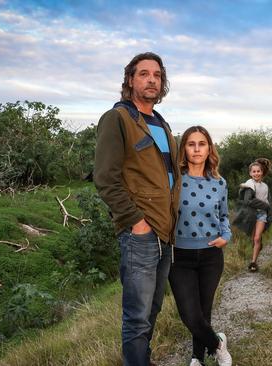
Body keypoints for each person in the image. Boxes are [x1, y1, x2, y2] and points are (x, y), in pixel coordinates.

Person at [93, 52, 180, 366]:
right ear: (130, 80)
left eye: (157, 75)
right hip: (141, 234)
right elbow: (105, 178)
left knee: (153, 309)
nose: (152, 80)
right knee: (137, 316)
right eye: (143, 74)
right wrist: (135, 221)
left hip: (166, 231)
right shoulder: (117, 119)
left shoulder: (161, 123)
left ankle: (144, 360)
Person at [169, 126, 233, 366]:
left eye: (202, 144)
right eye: (191, 144)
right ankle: (218, 344)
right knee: (190, 314)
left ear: (209, 148)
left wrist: (226, 235)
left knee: (204, 311)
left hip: (211, 254)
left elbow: (224, 215)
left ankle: (197, 357)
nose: (196, 149)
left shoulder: (219, 182)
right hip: (179, 255)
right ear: (183, 148)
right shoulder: (173, 179)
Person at [232, 158, 272, 272]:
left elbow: (268, 201)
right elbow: (248, 201)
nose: (256, 173)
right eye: (254, 171)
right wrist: (265, 206)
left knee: (257, 238)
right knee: (253, 238)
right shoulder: (249, 185)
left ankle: (253, 262)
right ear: (250, 173)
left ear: (262, 172)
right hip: (250, 214)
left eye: (258, 171)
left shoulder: (265, 186)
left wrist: (271, 211)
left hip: (262, 215)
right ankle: (257, 248)